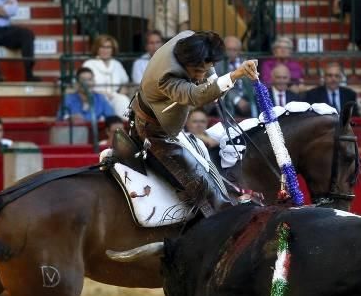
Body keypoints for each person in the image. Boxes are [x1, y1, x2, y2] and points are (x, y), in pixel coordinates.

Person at [132, 30, 259, 216]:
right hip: (154, 131)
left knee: (204, 160)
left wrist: (213, 82)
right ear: (186, 64)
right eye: (197, 72)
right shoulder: (167, 77)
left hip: (159, 116)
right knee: (198, 180)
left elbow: (207, 67)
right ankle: (222, 219)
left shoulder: (191, 40)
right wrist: (234, 75)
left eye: (204, 69)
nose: (201, 76)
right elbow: (195, 96)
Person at [82, 34, 131, 118]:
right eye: (102, 47)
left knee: (123, 100)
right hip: (96, 98)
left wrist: (122, 92)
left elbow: (125, 83)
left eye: (108, 47)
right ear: (97, 49)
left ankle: (124, 128)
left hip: (114, 97)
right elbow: (84, 85)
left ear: (113, 49)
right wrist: (101, 93)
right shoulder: (89, 64)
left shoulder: (117, 64)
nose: (105, 50)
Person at [214, 35, 256, 118]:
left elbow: (252, 82)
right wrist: (237, 99)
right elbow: (218, 85)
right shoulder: (217, 65)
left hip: (247, 97)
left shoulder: (246, 61)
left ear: (239, 51)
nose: (231, 53)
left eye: (235, 50)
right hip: (227, 98)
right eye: (229, 49)